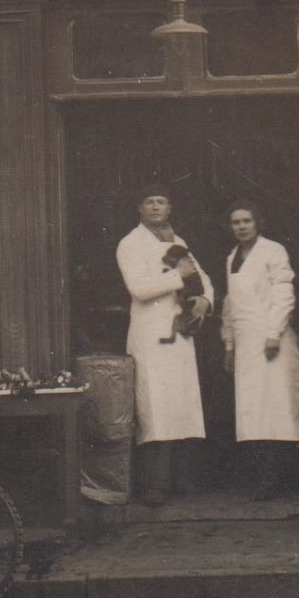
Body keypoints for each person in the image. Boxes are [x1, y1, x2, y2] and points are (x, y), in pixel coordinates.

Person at [117, 183, 214, 506]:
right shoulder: (130, 244)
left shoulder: (178, 242)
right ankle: (154, 486)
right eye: (149, 201)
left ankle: (182, 479)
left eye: (162, 202)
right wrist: (178, 277)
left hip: (179, 331)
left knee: (182, 404)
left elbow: (203, 278)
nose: (156, 207)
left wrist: (204, 300)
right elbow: (139, 289)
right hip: (150, 334)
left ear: (169, 209)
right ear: (139, 208)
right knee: (154, 406)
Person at [221, 201, 299, 501]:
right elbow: (230, 305)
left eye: (246, 220)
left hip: (272, 340)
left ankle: (276, 480)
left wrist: (273, 333)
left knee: (276, 409)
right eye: (235, 222)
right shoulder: (232, 257)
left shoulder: (273, 251)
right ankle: (260, 479)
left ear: (258, 223)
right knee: (252, 411)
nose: (241, 226)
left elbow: (284, 293)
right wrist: (229, 344)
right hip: (245, 343)